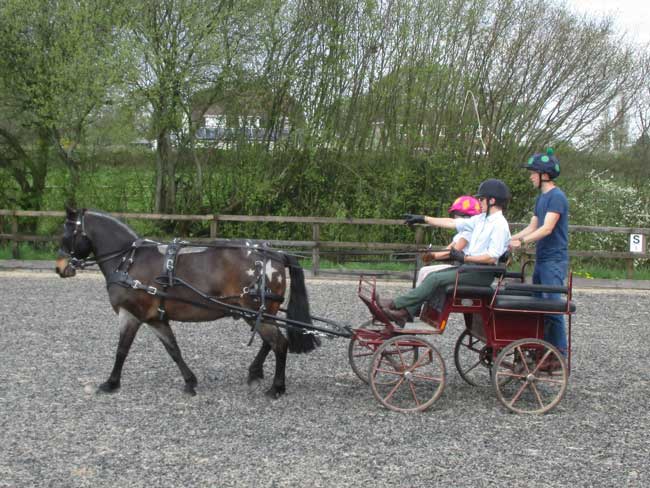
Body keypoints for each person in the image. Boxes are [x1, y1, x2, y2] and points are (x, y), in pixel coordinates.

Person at [380, 179, 512, 325]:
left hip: (481, 273)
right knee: (432, 275)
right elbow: (451, 222)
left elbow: (492, 258)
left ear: (492, 200)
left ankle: (396, 304)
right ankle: (406, 311)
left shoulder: (500, 225)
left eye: (481, 199)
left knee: (434, 279)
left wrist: (465, 258)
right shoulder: (481, 219)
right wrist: (424, 218)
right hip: (471, 268)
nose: (479, 202)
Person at [509, 148, 569, 356]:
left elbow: (547, 228)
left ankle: (559, 353)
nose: (530, 176)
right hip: (542, 259)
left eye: (533, 172)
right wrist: (511, 238)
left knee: (553, 307)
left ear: (544, 175)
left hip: (554, 259)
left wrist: (522, 242)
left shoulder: (557, 197)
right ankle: (542, 347)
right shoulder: (541, 199)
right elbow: (533, 226)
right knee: (538, 305)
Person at [416, 195, 481, 286]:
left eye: (456, 214)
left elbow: (451, 252)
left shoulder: (468, 233)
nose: (455, 217)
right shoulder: (462, 232)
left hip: (465, 270)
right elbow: (447, 249)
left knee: (425, 271)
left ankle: (420, 297)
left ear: (466, 216)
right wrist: (429, 254)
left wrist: (432, 256)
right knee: (424, 271)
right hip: (461, 267)